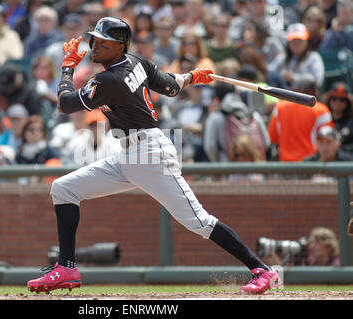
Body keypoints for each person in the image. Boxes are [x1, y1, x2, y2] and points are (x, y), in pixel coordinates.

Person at [27, 16, 280, 295]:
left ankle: (262, 270)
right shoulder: (137, 61)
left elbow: (64, 103)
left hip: (149, 155)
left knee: (199, 221)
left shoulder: (109, 79)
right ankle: (66, 269)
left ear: (120, 46)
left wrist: (66, 67)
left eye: (103, 43)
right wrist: (192, 77)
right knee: (64, 189)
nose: (95, 46)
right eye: (94, 40)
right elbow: (170, 86)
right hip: (128, 154)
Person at [268, 74, 334, 161]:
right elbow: (328, 141)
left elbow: (273, 137)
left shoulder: (280, 106)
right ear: (313, 91)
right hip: (311, 165)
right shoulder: (321, 110)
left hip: (285, 166)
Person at [268, 23, 325, 90]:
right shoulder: (282, 57)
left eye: (300, 40)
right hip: (283, 97)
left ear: (306, 41)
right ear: (288, 43)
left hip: (305, 97)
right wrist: (282, 75)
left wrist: (294, 78)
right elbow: (269, 72)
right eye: (293, 41)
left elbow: (317, 81)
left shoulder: (314, 57)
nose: (297, 44)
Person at [322, 82, 353, 152]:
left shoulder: (351, 121)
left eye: (342, 99)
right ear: (329, 99)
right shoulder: (322, 118)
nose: (338, 102)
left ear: (348, 102)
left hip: (345, 159)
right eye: (334, 98)